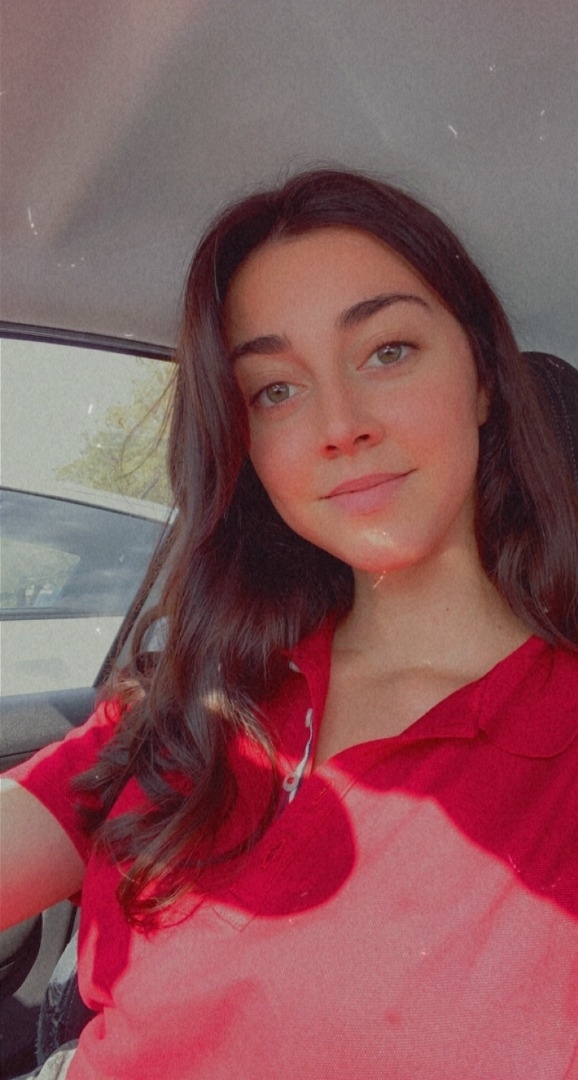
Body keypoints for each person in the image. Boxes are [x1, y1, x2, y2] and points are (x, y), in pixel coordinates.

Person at [2, 168, 578, 1079]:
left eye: (388, 351)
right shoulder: (198, 697)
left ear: (481, 380)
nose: (339, 425)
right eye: (275, 389)